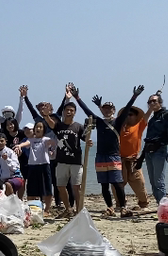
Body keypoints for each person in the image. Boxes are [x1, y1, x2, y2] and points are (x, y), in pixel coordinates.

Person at [73, 85, 145, 218]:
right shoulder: (99, 122)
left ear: (114, 110)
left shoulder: (118, 122)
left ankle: (123, 207)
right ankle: (110, 207)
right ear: (102, 110)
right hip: (100, 157)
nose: (107, 111)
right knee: (104, 185)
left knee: (117, 184)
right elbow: (86, 110)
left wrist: (134, 96)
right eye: (105, 108)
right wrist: (77, 98)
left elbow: (127, 109)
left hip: (114, 157)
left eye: (110, 109)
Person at [44, 93, 87, 217]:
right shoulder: (59, 126)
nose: (69, 112)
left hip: (76, 162)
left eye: (72, 110)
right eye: (67, 110)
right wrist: (46, 115)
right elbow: (51, 123)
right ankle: (68, 209)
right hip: (61, 161)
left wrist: (89, 141)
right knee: (60, 186)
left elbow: (85, 138)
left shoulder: (78, 126)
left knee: (76, 187)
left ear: (75, 112)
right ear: (63, 112)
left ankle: (79, 210)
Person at [137, 92, 168, 204]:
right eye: (150, 101)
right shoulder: (152, 119)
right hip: (149, 152)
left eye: (154, 101)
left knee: (159, 182)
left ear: (160, 102)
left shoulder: (166, 115)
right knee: (153, 182)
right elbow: (148, 138)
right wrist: (141, 158)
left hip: (160, 150)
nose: (152, 103)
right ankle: (160, 205)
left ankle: (164, 206)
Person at [116, 103, 152, 211]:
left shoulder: (139, 126)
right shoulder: (117, 127)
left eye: (130, 114)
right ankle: (120, 204)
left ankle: (143, 204)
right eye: (126, 114)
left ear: (136, 116)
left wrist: (151, 106)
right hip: (120, 160)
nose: (128, 116)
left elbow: (147, 116)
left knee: (139, 184)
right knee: (117, 184)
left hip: (133, 161)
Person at [16, 121, 54, 214]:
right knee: (31, 190)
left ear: (44, 130)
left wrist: (52, 146)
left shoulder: (45, 139)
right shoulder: (31, 140)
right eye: (37, 127)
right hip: (32, 167)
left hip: (44, 166)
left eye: (40, 127)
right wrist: (19, 146)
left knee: (47, 189)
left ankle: (47, 210)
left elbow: (52, 143)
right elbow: (26, 143)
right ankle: (32, 209)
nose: (38, 129)